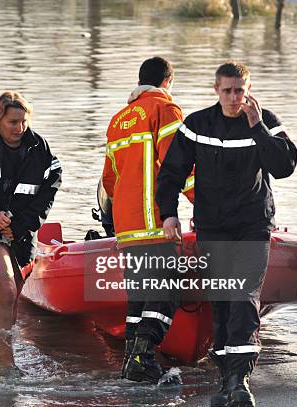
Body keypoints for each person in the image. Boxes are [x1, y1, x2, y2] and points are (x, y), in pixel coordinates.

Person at [157, 61, 297, 407]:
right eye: (228, 91)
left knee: (244, 297)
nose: (235, 98)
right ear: (216, 90)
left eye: (240, 90)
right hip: (212, 227)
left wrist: (257, 126)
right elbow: (171, 172)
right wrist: (169, 214)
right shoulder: (197, 124)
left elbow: (283, 168)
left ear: (248, 89)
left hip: (252, 226)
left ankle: (240, 379)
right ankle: (226, 381)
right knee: (220, 303)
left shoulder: (266, 122)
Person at [102, 56, 194, 384]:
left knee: (139, 296)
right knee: (165, 291)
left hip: (127, 228)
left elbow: (109, 180)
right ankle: (142, 356)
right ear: (168, 81)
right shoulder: (165, 110)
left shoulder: (118, 120)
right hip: (155, 222)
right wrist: (206, 205)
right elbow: (178, 165)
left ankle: (131, 361)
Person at [0, 91, 62, 368]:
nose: (19, 128)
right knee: (5, 291)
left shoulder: (38, 148)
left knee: (13, 299)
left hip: (21, 230)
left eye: (23, 121)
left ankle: (0, 357)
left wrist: (19, 226)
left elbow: (49, 189)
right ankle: (3, 361)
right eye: (12, 122)